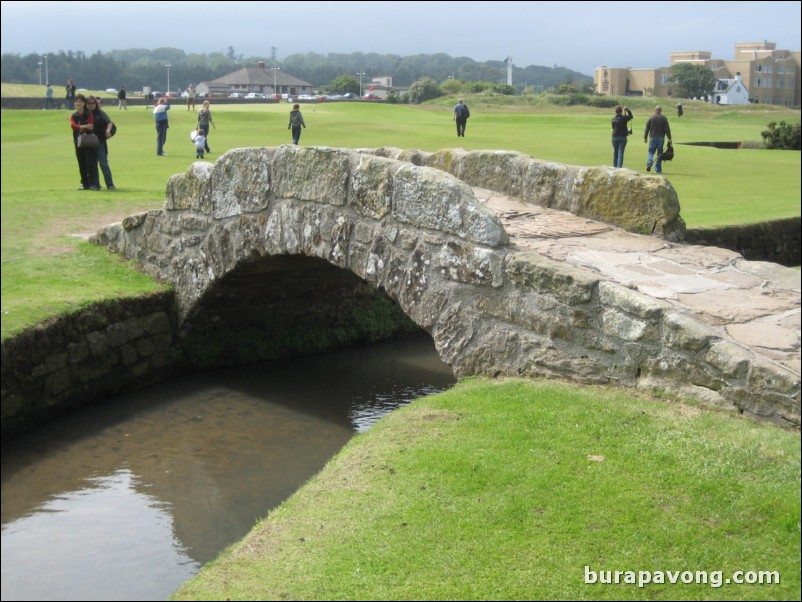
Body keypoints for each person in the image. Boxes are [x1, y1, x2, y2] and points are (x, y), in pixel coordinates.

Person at [70, 94, 99, 190]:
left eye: (80, 102)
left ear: (84, 103)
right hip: (78, 142)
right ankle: (84, 184)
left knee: (90, 163)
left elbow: (91, 126)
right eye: (76, 102)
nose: (78, 103)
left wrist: (80, 127)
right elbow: (73, 126)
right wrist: (83, 126)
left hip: (89, 141)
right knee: (81, 163)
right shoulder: (73, 116)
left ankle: (93, 184)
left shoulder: (88, 114)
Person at [88, 96, 116, 189]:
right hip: (88, 143)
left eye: (95, 103)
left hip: (99, 142)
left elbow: (110, 123)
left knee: (103, 164)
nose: (93, 105)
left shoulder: (101, 113)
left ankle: (110, 184)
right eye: (90, 103)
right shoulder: (86, 114)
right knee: (92, 164)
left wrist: (108, 131)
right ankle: (96, 184)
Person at [643, 105, 672, 174]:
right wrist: (669, 138)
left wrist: (645, 137)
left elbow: (647, 128)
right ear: (660, 111)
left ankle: (650, 162)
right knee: (660, 154)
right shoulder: (664, 118)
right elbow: (667, 129)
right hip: (661, 138)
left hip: (652, 137)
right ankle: (657, 169)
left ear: (655, 110)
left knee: (651, 152)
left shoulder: (651, 118)